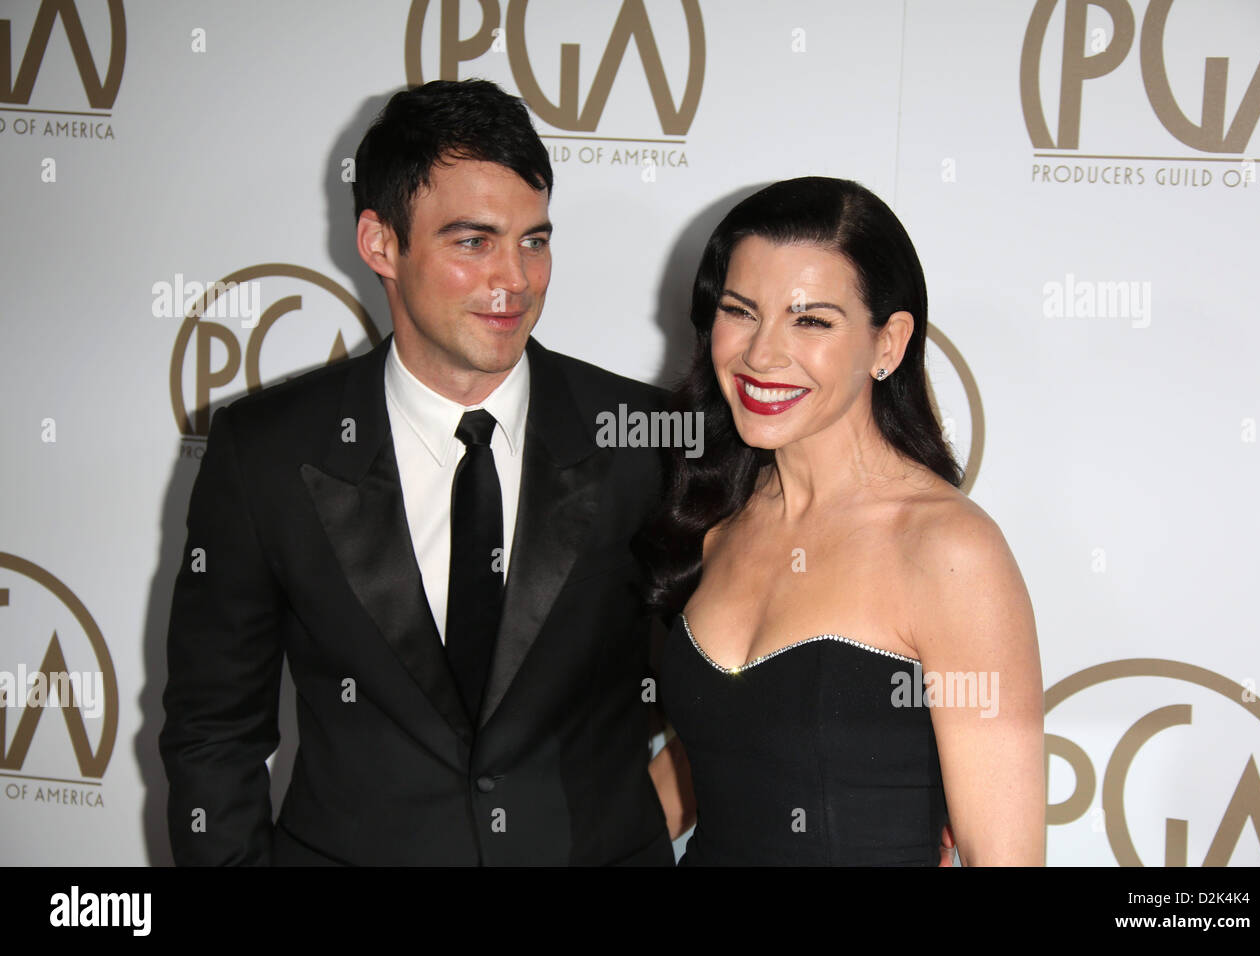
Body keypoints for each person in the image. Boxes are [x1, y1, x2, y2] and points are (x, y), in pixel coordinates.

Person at [159, 79, 674, 865]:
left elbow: (729, 694)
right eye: (474, 242)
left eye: (534, 240)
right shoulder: (265, 451)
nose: (516, 280)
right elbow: (212, 731)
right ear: (380, 243)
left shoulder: (647, 440)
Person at [641, 177, 1044, 865]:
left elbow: (1001, 857)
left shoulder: (947, 549)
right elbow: (718, 760)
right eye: (741, 311)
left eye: (811, 320)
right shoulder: (716, 519)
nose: (762, 354)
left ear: (888, 344)